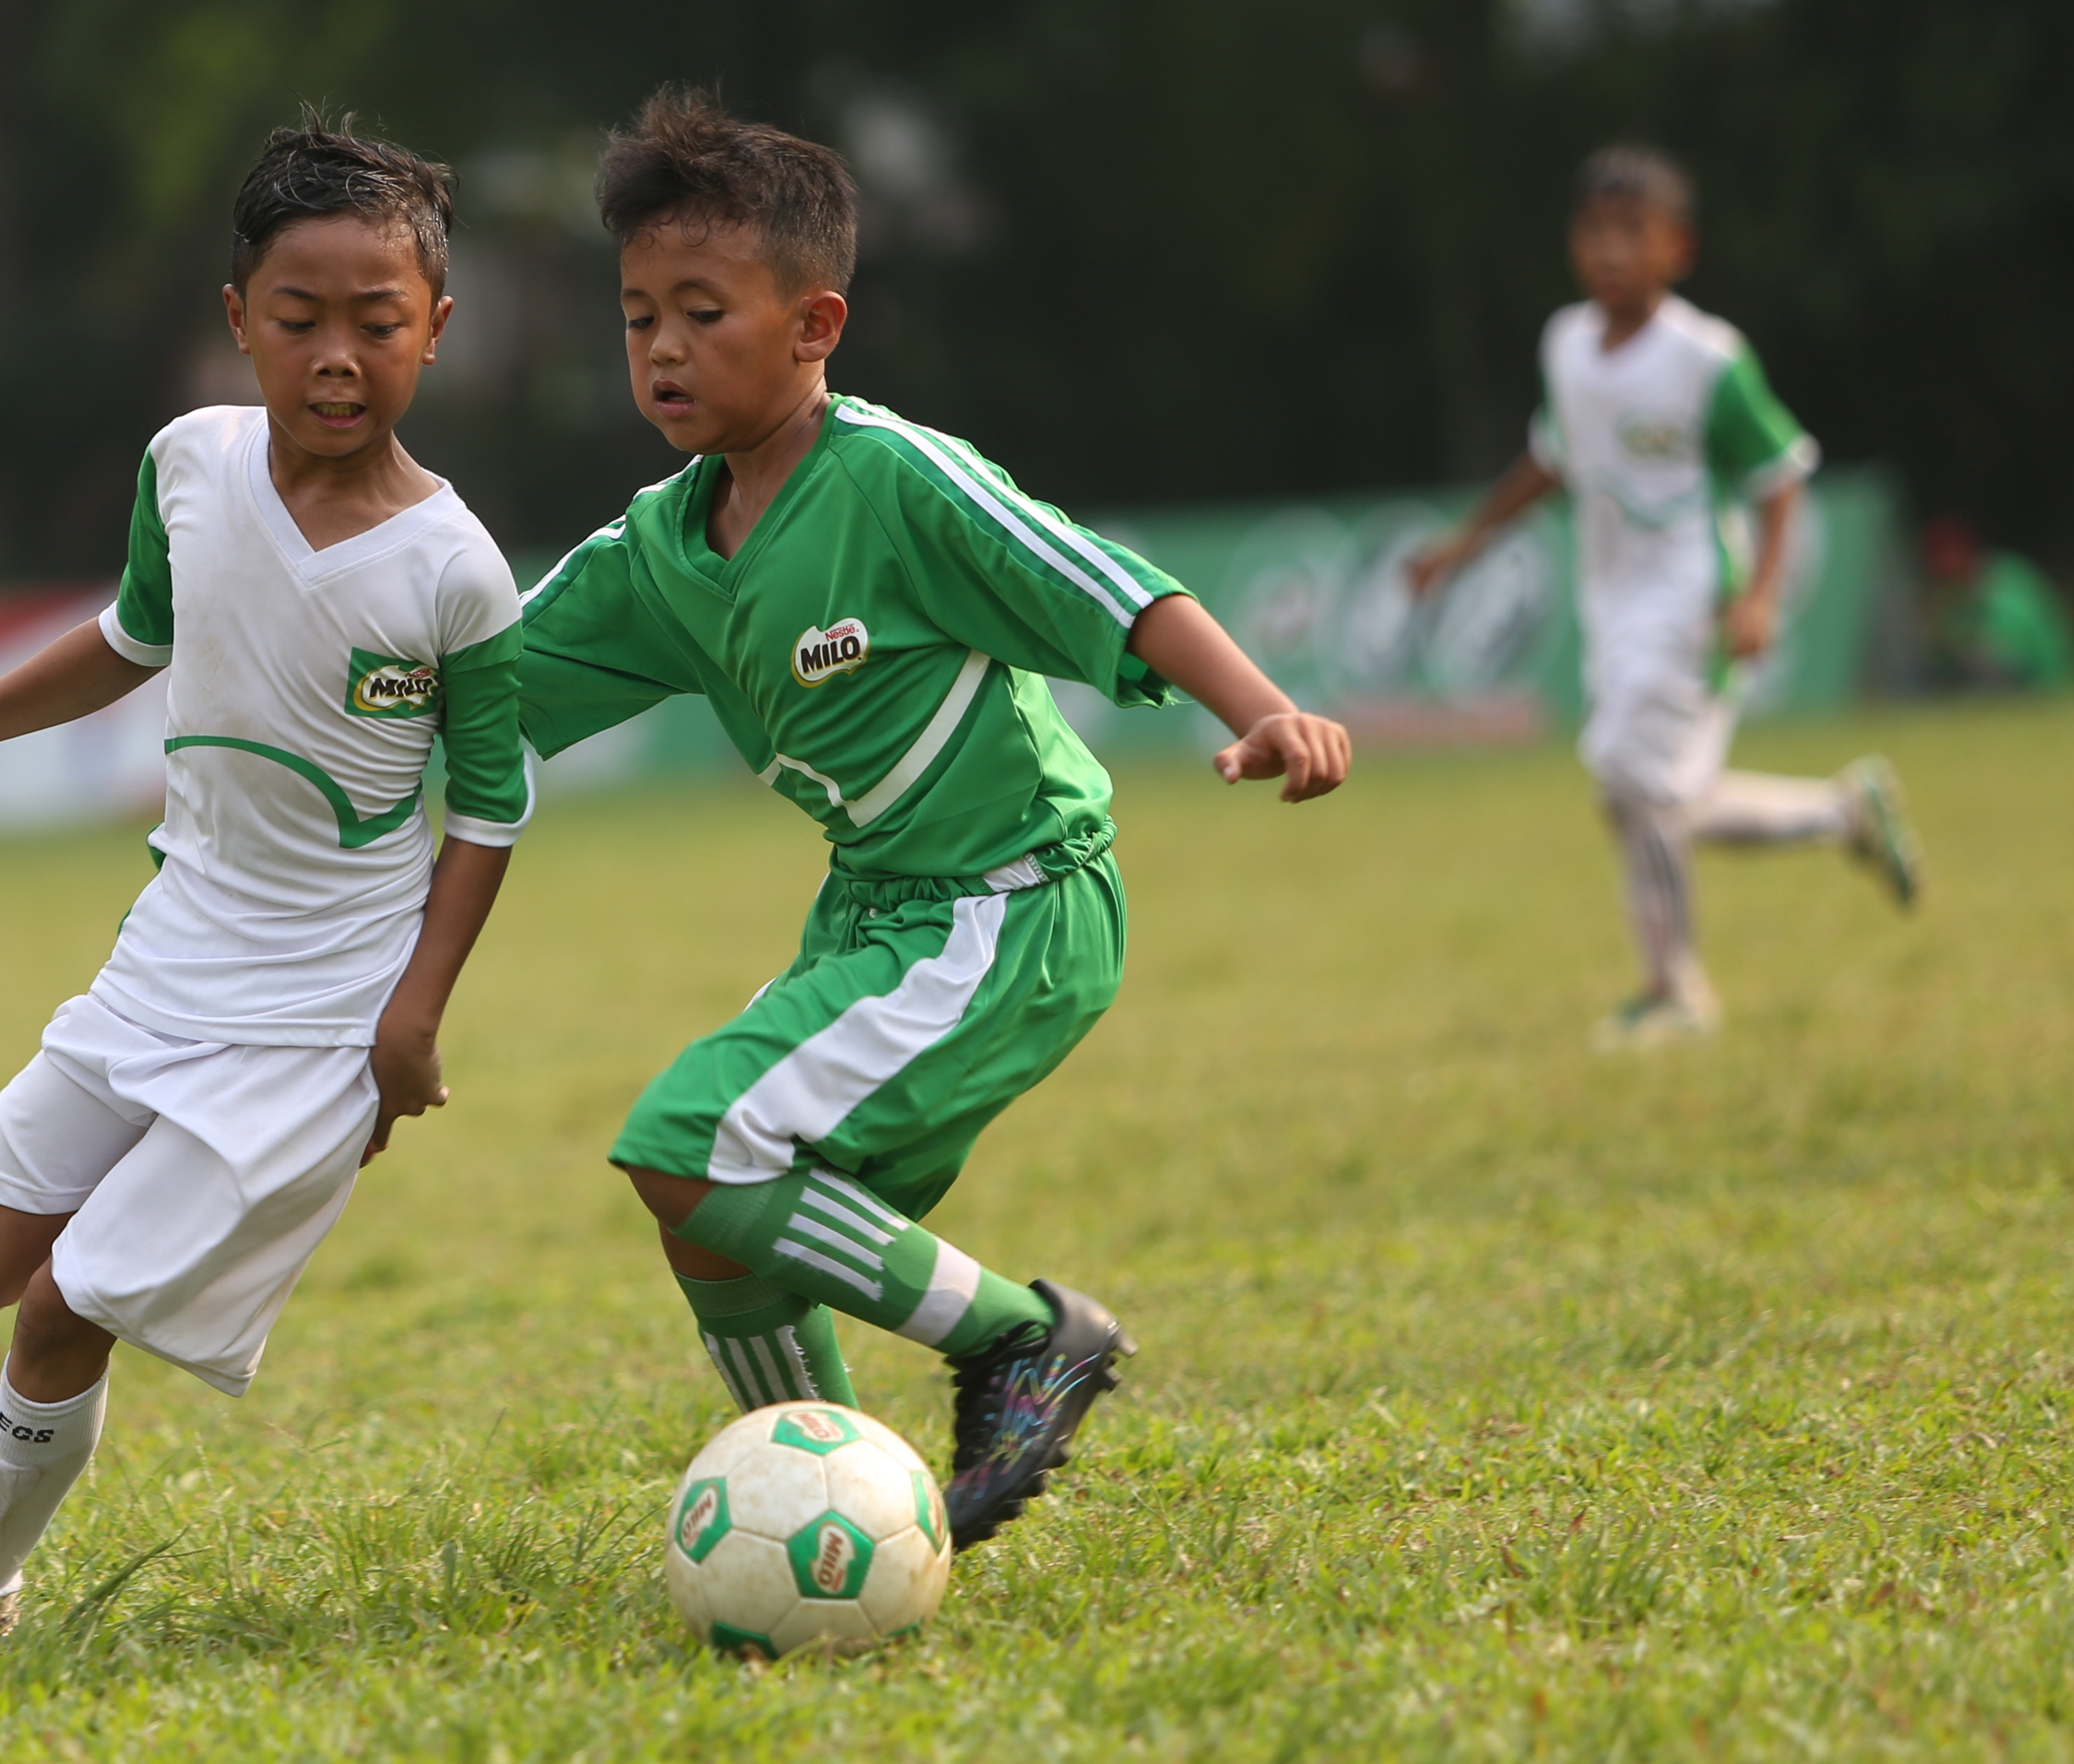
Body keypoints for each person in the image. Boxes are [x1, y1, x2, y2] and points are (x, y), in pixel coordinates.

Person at [518, 90, 1352, 1551]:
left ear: (812, 324)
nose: (659, 346)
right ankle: (816, 1498)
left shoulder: (895, 479)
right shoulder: (654, 549)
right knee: (710, 1212)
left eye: (701, 311)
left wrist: (1263, 709)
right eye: (638, 312)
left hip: (1011, 901)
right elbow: (485, 688)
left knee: (691, 1142)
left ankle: (1026, 1336)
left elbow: (1110, 584)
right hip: (875, 915)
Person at [0, 119, 529, 1645]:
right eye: (299, 319)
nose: (336, 356)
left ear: (438, 331)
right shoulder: (188, 464)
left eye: (377, 322)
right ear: (237, 321)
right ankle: (136, 1232)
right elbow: (132, 637)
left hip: (321, 1008)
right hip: (169, 954)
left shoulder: (457, 570)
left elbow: (490, 806)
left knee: (61, 1303)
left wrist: (411, 1019)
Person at [1410, 144, 1921, 1050]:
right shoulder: (1565, 345)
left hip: (1691, 600)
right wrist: (1465, 543)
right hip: (1613, 603)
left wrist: (1759, 597)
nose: (1610, 251)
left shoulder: (1706, 359)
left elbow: (1780, 475)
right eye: (1594, 232)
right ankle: (1842, 813)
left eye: (1631, 233)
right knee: (1650, 801)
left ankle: (1676, 992)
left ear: (1676, 249)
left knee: (1630, 778)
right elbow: (1553, 458)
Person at [1918, 517, 2072, 694]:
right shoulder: (1951, 593)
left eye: (1945, 554)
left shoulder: (2006, 580)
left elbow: (2019, 648)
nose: (1940, 565)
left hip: (2042, 679)